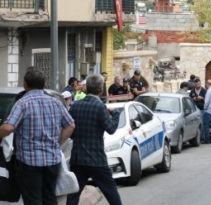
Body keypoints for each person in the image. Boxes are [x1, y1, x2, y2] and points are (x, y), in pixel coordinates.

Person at [0, 68, 75, 205]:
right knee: (50, 198)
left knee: (33, 200)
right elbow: (70, 125)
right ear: (44, 84)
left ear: (25, 84)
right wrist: (57, 144)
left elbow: (8, 127)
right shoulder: (55, 103)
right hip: (52, 161)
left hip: (29, 162)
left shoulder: (22, 103)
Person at [66, 74, 123, 205]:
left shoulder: (75, 106)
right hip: (96, 159)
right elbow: (111, 129)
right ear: (101, 89)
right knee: (111, 192)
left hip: (78, 158)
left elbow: (70, 131)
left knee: (73, 194)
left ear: (86, 89)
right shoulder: (100, 106)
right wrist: (115, 114)